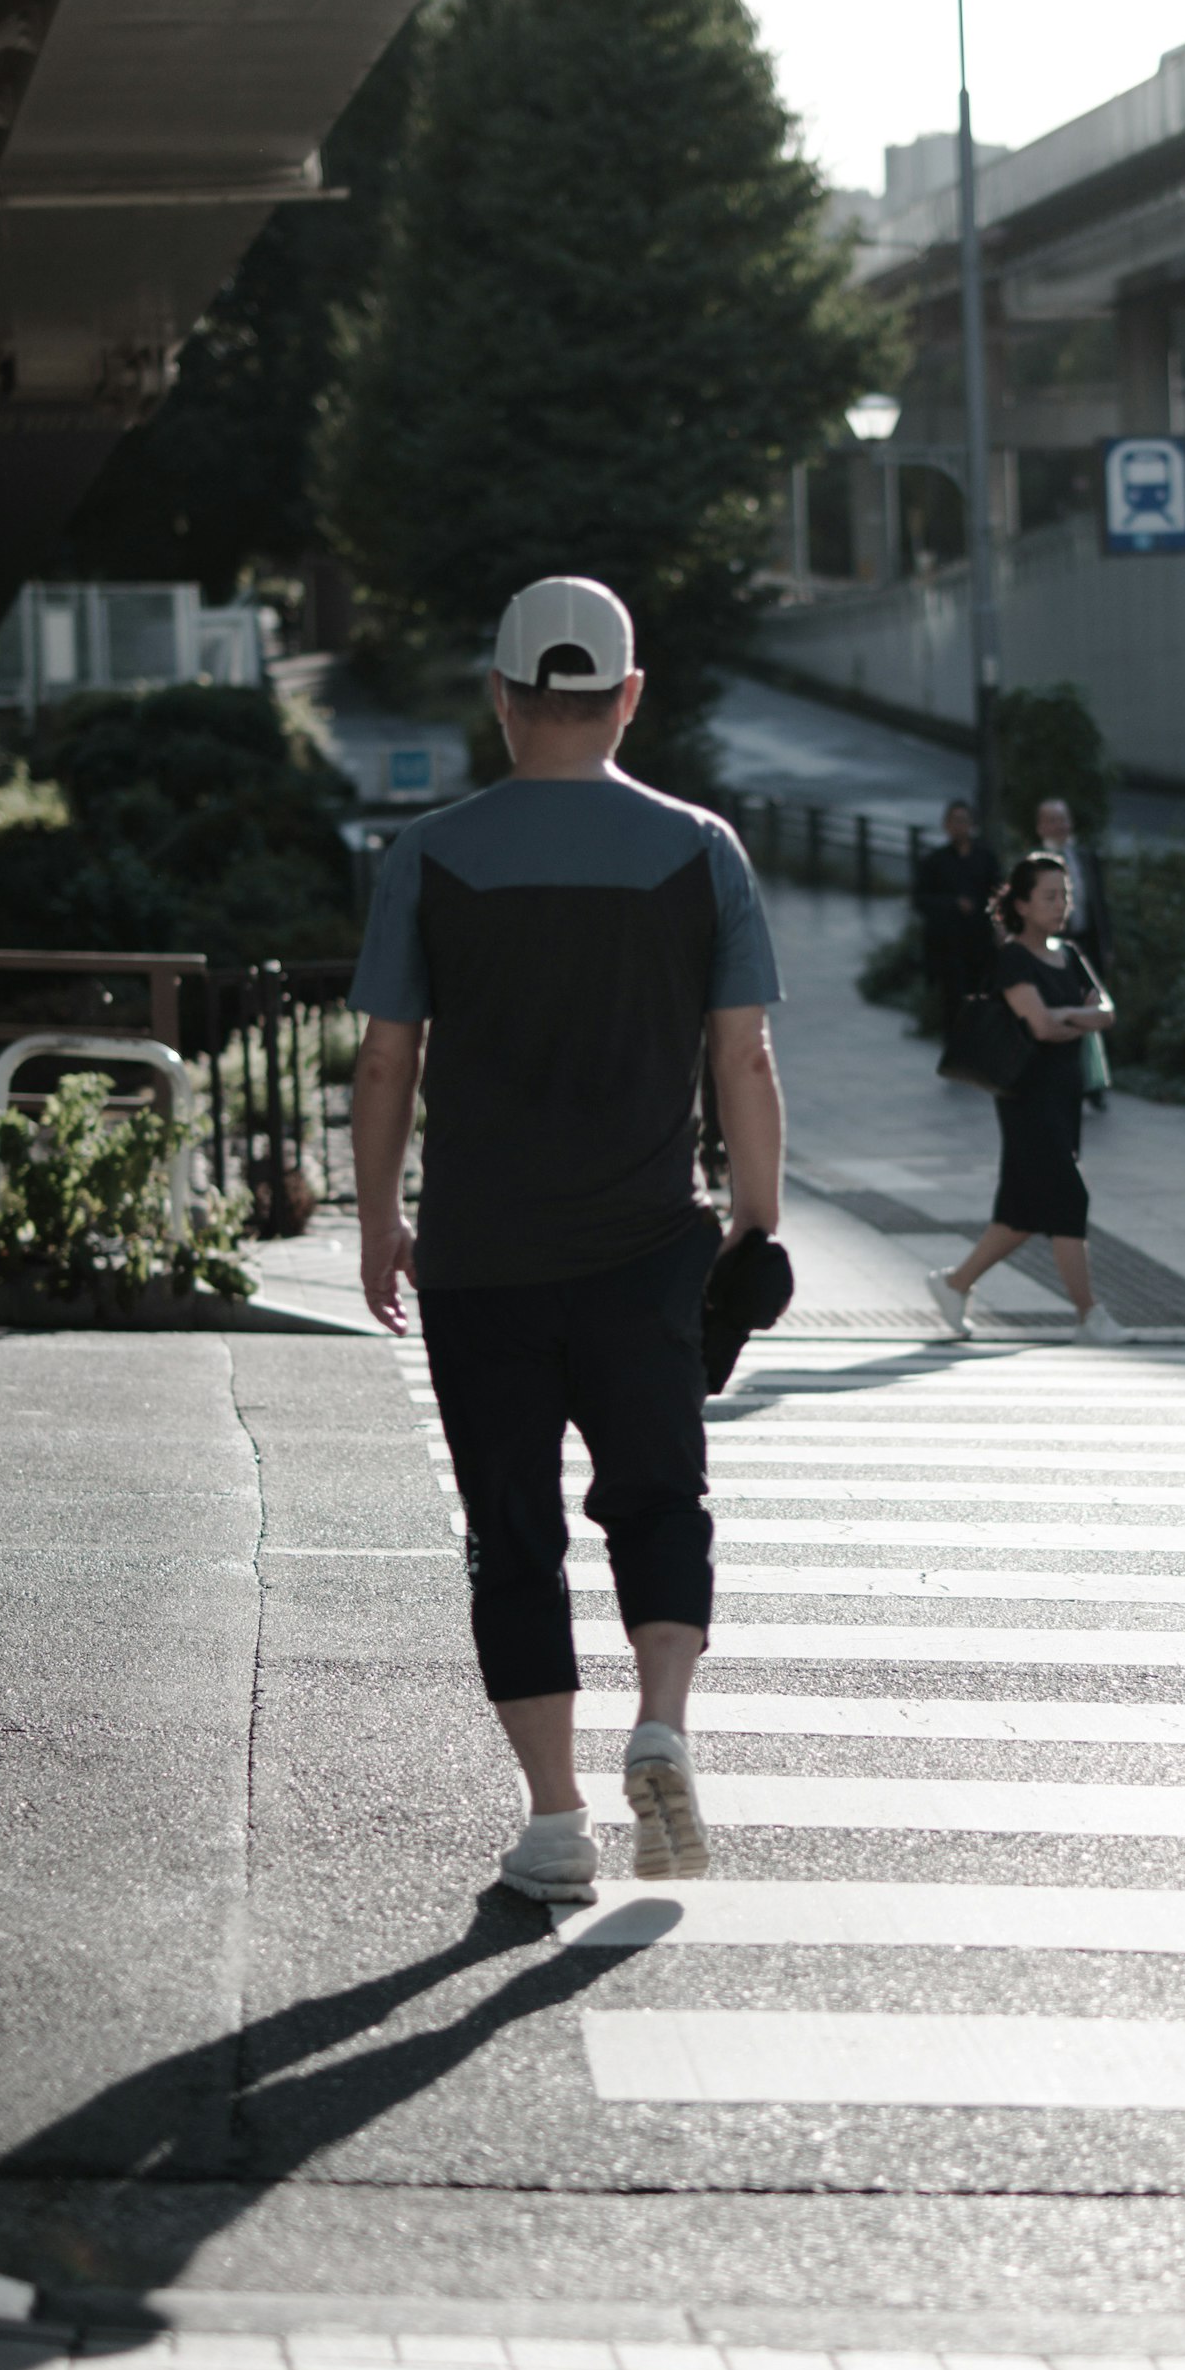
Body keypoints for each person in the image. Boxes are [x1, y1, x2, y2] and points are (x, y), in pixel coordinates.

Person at [350, 576, 784, 1904]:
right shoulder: (702, 848)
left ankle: (553, 1820)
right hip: (650, 1249)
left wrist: (380, 1226)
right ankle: (662, 1718)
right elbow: (746, 1060)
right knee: (658, 1502)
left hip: (482, 1262)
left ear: (500, 698)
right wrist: (756, 1227)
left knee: (513, 1535)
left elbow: (384, 1066)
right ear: (628, 696)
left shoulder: (427, 856)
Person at [923, 850, 1129, 1346]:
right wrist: (1070, 1017)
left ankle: (953, 1285)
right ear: (1020, 903)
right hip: (1026, 1096)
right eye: (1049, 896)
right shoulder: (1013, 958)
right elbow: (1039, 1026)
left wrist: (1066, 1018)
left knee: (1019, 1215)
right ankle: (1088, 1314)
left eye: (1065, 895)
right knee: (1068, 1196)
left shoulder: (1070, 954)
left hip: (1063, 1093)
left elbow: (1105, 1012)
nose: (1060, 905)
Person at [1032, 796, 1113, 1106]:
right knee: (1060, 1012)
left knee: (1091, 1007)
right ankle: (1063, 1081)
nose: (1059, 826)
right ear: (1041, 826)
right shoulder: (1035, 863)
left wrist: (1106, 945)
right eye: (1051, 820)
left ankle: (1094, 1083)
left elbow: (1099, 905)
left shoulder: (1085, 856)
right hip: (1053, 947)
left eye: (1062, 819)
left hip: (1086, 943)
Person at [911, 799, 998, 1018]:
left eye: (964, 821)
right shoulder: (935, 861)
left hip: (980, 944)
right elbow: (920, 899)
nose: (960, 826)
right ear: (946, 825)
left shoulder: (986, 858)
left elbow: (998, 893)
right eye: (955, 821)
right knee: (953, 1005)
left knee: (981, 1002)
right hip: (948, 947)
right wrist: (952, 904)